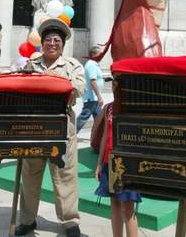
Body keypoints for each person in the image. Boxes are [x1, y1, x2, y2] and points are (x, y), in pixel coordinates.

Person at [15, 18, 87, 237]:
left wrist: (53, 79)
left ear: (62, 44)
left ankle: (70, 221)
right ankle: (27, 220)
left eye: (56, 40)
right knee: (30, 175)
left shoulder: (72, 65)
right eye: (48, 40)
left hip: (62, 128)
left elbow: (79, 88)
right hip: (34, 127)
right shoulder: (31, 65)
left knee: (65, 174)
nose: (52, 43)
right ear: (42, 43)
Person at [95, 83, 140, 237]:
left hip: (127, 165)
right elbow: (104, 137)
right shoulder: (109, 108)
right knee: (114, 204)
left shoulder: (134, 108)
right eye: (114, 83)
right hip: (109, 162)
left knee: (127, 209)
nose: (115, 87)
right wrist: (99, 163)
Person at [77, 45, 104, 133]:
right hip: (91, 98)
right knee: (84, 117)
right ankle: (71, 133)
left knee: (100, 119)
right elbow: (93, 82)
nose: (101, 56)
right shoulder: (91, 65)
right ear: (93, 54)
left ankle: (100, 136)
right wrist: (99, 96)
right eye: (100, 54)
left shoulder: (94, 65)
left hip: (93, 98)